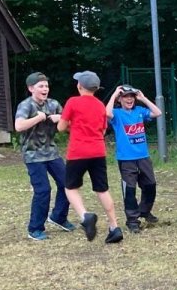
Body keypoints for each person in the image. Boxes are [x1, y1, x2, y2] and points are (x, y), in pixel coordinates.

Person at [58, 70, 122, 244]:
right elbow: (103, 130)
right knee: (102, 189)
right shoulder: (100, 105)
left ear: (79, 85)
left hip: (78, 152)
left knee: (70, 188)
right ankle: (114, 227)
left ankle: (85, 216)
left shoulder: (73, 102)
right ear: (96, 88)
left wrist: (71, 124)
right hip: (98, 151)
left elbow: (61, 127)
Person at [14, 71, 74, 240]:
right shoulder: (26, 105)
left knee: (68, 184)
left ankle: (58, 217)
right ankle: (35, 229)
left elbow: (69, 125)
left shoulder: (53, 104)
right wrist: (38, 118)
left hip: (52, 152)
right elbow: (18, 126)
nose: (45, 89)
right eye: (41, 86)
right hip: (33, 155)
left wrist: (61, 118)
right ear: (31, 88)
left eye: (46, 86)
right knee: (43, 190)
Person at [105, 84, 163, 232]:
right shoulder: (117, 113)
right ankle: (132, 220)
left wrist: (143, 98)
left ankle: (144, 211)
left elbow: (157, 112)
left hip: (143, 156)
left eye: (131, 96)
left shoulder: (139, 111)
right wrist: (114, 95)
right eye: (125, 97)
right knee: (130, 189)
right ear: (120, 100)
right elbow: (107, 113)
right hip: (126, 158)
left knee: (150, 185)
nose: (129, 99)